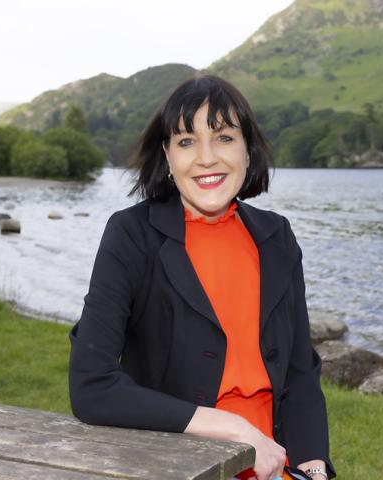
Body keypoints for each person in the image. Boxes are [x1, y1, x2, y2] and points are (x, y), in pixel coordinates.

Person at [68, 74, 335, 480]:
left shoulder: (276, 236)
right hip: (176, 465)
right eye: (187, 141)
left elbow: (300, 372)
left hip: (274, 467)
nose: (206, 158)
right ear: (168, 156)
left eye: (224, 138)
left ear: (248, 150)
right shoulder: (131, 235)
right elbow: (92, 385)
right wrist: (232, 428)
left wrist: (313, 470)